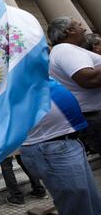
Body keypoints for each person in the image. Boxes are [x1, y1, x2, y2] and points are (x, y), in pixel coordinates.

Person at [20, 78, 101, 214]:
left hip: (65, 142)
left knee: (90, 202)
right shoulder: (15, 74)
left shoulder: (35, 69)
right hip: (51, 147)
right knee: (77, 207)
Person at [47, 17, 101, 155]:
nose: (84, 29)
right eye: (79, 25)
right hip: (95, 116)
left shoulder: (65, 50)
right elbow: (89, 80)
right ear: (68, 31)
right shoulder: (66, 50)